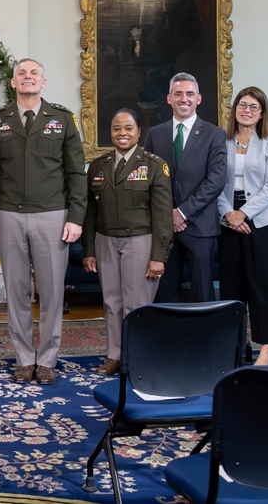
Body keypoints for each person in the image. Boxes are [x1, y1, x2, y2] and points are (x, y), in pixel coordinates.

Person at [0, 58, 86, 386]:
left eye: (34, 74)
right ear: (13, 83)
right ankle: (25, 359)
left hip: (52, 215)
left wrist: (77, 217)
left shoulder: (63, 119)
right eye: (22, 74)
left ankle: (48, 360)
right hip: (8, 214)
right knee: (17, 290)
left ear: (44, 82)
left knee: (53, 292)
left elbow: (75, 173)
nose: (27, 78)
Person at [83, 109, 174, 376]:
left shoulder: (155, 165)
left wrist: (159, 255)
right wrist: (89, 250)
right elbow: (90, 213)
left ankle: (137, 358)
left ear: (138, 132)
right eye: (117, 128)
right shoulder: (98, 166)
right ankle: (115, 356)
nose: (122, 133)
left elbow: (162, 215)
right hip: (105, 240)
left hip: (140, 241)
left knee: (136, 303)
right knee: (112, 302)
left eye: (128, 128)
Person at [216, 87, 268, 366]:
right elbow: (215, 183)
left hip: (264, 221)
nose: (247, 110)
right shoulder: (223, 140)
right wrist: (229, 215)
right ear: (234, 109)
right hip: (228, 218)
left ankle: (265, 349)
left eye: (254, 106)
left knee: (264, 287)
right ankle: (235, 346)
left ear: (262, 113)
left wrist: (243, 214)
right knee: (232, 287)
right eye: (242, 104)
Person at [143, 72, 226, 302]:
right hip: (163, 227)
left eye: (190, 94)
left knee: (203, 291)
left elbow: (216, 180)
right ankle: (172, 336)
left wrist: (182, 213)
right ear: (169, 98)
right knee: (166, 290)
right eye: (178, 94)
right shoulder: (155, 134)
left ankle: (207, 336)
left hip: (199, 226)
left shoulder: (215, 134)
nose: (184, 99)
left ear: (199, 99)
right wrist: (167, 215)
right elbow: (147, 178)